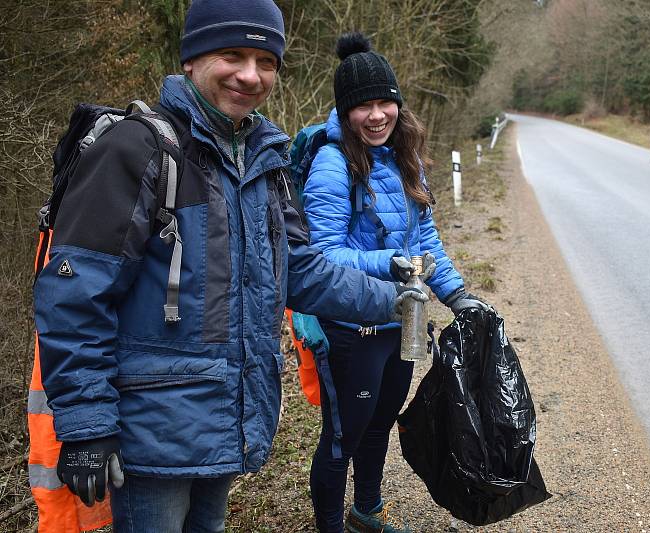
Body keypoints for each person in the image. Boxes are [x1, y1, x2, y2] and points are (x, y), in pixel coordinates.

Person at [31, 3, 426, 532]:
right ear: (192, 58)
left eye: (266, 60)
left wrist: (392, 301)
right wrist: (85, 423)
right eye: (232, 55)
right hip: (152, 433)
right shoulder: (138, 149)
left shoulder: (265, 156)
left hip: (227, 417)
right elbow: (74, 294)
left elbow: (302, 270)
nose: (250, 74)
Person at [302, 32, 489, 533]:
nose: (377, 114)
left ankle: (366, 511)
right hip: (351, 324)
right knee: (343, 436)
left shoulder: (405, 158)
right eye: (363, 105)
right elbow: (322, 256)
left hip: (401, 319)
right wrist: (393, 262)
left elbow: (426, 241)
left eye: (385, 101)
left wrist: (458, 297)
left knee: (379, 423)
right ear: (345, 112)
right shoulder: (331, 163)